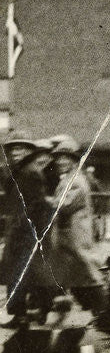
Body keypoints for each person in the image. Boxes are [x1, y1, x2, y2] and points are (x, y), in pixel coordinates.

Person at [48, 138, 110, 332]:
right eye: (58, 158)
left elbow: (64, 204)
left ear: (73, 160)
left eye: (65, 158)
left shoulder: (75, 181)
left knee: (87, 276)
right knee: (79, 278)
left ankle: (107, 317)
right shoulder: (71, 178)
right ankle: (100, 316)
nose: (60, 161)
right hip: (71, 236)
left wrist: (44, 202)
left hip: (76, 238)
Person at [0, 138, 60, 328]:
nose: (16, 152)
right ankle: (36, 310)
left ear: (28, 151)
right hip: (21, 229)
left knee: (19, 273)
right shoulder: (21, 170)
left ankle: (22, 315)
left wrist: (21, 227)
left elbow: (36, 204)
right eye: (13, 148)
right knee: (25, 272)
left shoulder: (30, 172)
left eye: (20, 148)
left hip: (25, 231)